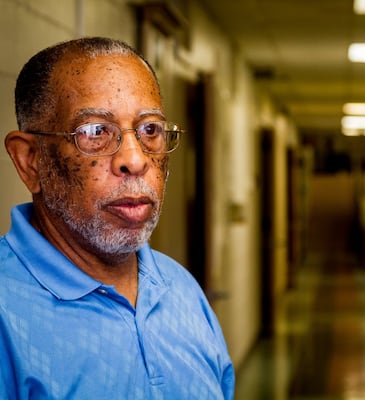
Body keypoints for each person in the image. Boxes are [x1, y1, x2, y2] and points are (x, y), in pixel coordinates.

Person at [0, 37, 235, 399]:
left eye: (150, 131)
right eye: (95, 132)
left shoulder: (181, 290)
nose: (135, 159)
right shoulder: (7, 311)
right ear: (30, 160)